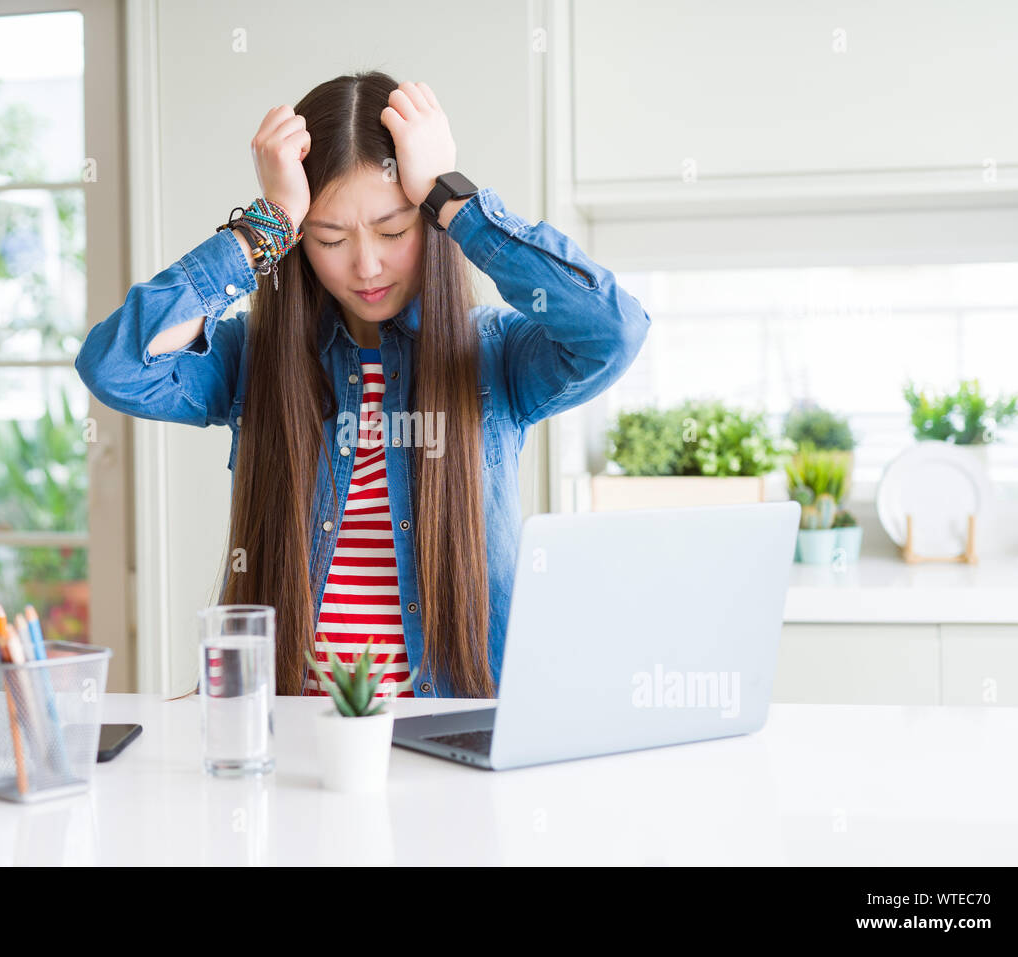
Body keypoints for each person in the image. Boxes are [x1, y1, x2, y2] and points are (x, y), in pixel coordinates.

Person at [75, 71, 652, 700]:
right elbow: (116, 366)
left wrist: (452, 199)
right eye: (329, 238)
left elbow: (612, 332)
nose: (367, 265)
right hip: (294, 742)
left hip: (452, 736)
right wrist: (262, 228)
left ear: (428, 225)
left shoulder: (496, 356)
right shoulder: (253, 358)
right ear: (299, 245)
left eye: (394, 230)